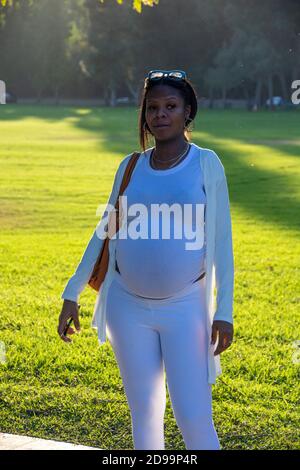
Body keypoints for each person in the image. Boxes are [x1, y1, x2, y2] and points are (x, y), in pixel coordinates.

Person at [58, 70, 234, 450]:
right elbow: (104, 231)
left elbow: (222, 244)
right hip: (127, 306)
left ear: (188, 111)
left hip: (185, 307)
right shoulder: (130, 166)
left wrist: (225, 312)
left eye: (170, 106)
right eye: (152, 108)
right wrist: (72, 292)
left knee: (194, 418)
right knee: (145, 413)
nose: (160, 115)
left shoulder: (206, 164)